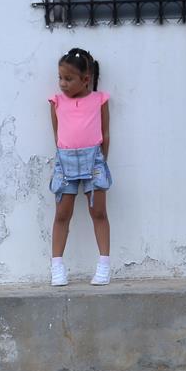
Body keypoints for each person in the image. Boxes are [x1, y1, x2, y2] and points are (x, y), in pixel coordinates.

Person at [48, 47, 112, 286]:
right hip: (65, 163)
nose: (62, 84)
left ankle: (104, 266)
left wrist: (102, 160)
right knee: (62, 214)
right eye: (60, 78)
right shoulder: (56, 102)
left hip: (93, 161)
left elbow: (105, 133)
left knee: (99, 213)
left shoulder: (99, 100)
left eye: (68, 78)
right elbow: (57, 134)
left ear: (86, 79)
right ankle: (57, 267)